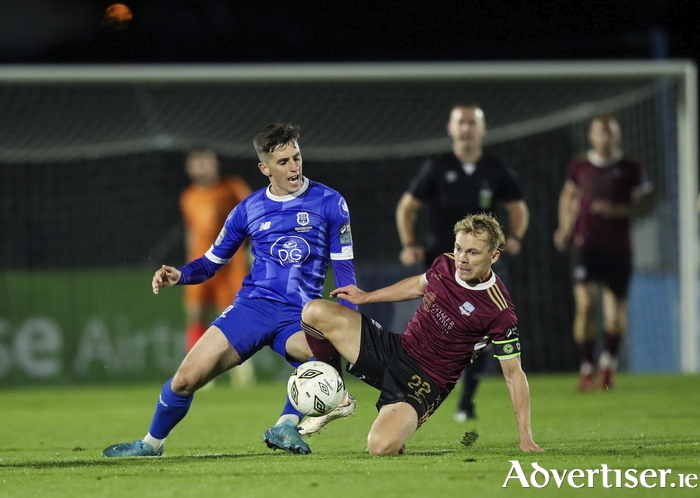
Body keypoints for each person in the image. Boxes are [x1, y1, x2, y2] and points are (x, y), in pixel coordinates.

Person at [102, 123, 358, 457]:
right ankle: (150, 445)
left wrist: (348, 324)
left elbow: (345, 273)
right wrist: (179, 274)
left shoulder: (330, 202)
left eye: (296, 157)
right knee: (184, 380)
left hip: (300, 315)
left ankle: (285, 426)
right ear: (264, 168)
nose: (294, 167)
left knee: (322, 361)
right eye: (283, 162)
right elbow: (210, 261)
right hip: (251, 309)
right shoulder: (248, 209)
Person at [301, 213, 543, 455]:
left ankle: (398, 421)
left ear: (494, 256)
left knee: (379, 447)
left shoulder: (498, 310)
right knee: (315, 311)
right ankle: (337, 393)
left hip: (425, 381)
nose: (462, 258)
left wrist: (526, 437)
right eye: (459, 248)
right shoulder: (445, 264)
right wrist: (366, 297)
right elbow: (418, 285)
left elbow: (514, 375)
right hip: (396, 349)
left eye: (473, 252)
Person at [396, 103, 529, 422]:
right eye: (461, 122)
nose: (466, 128)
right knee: (431, 328)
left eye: (472, 122)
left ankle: (466, 400)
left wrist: (516, 236)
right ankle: (410, 391)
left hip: (481, 269)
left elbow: (518, 206)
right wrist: (409, 245)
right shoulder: (438, 166)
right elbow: (406, 207)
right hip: (440, 267)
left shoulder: (495, 168)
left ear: (483, 129)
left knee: (483, 334)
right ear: (450, 129)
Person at [553, 114, 653, 392]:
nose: (605, 137)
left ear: (618, 136)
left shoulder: (632, 167)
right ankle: (586, 370)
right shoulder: (579, 166)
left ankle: (608, 365)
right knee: (585, 306)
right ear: (591, 136)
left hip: (619, 249)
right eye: (600, 131)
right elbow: (568, 196)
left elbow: (647, 204)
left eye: (610, 132)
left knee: (615, 314)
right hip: (586, 246)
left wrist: (618, 210)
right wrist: (564, 228)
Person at [180, 149, 255, 387]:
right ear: (190, 168)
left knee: (233, 315)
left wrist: (254, 250)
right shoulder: (188, 197)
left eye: (207, 162)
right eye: (197, 163)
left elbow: (255, 213)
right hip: (200, 262)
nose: (203, 167)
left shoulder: (232, 187)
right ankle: (198, 371)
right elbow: (191, 232)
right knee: (196, 313)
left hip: (230, 263)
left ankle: (241, 370)